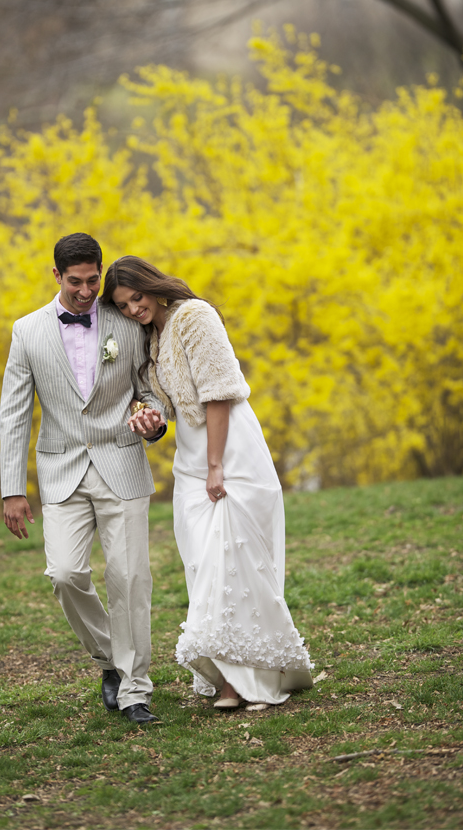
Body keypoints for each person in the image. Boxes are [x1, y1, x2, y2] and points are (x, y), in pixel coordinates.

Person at [102, 256, 314, 709]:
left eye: (136, 297)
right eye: (122, 305)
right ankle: (226, 667)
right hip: (190, 453)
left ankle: (242, 682)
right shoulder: (152, 339)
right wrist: (151, 417)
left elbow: (218, 391)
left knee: (234, 557)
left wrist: (216, 465)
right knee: (202, 561)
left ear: (153, 287)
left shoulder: (196, 317)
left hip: (229, 445)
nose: (133, 309)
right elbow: (166, 404)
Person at [0, 233, 167, 725]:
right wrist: (13, 488)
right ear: (57, 276)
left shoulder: (126, 321)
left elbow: (148, 391)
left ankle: (136, 690)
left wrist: (152, 419)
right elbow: (14, 414)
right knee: (65, 575)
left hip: (122, 462)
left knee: (129, 578)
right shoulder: (27, 331)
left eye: (93, 280)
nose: (86, 291)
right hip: (61, 470)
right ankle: (113, 658)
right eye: (75, 282)